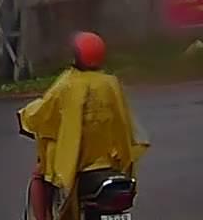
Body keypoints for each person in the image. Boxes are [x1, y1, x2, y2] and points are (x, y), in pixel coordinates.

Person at [18, 31, 150, 220]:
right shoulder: (111, 83)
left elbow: (44, 112)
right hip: (110, 162)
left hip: (78, 163)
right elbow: (124, 121)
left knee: (39, 175)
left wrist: (25, 117)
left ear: (76, 56)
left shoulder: (68, 84)